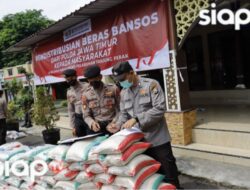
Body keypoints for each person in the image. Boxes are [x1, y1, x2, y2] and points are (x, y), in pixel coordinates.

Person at [111, 61, 181, 188]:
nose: (121, 83)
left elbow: (159, 108)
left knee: (169, 172)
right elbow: (124, 114)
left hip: (158, 138)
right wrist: (117, 124)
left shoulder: (151, 85)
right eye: (118, 80)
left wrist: (137, 119)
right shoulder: (124, 92)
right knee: (150, 175)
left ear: (131, 73)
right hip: (138, 142)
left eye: (123, 79)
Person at [82, 65, 120, 135]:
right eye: (90, 81)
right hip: (97, 126)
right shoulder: (86, 94)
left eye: (95, 80)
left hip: (113, 125)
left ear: (100, 77)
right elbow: (86, 115)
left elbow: (120, 109)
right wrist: (92, 123)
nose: (93, 83)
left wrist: (115, 122)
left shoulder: (113, 89)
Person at [63, 69, 90, 137]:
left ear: (75, 77)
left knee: (91, 137)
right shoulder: (69, 92)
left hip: (89, 116)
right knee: (80, 139)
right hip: (78, 118)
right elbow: (71, 110)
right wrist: (73, 127)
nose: (68, 81)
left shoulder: (86, 86)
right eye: (67, 79)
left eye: (70, 78)